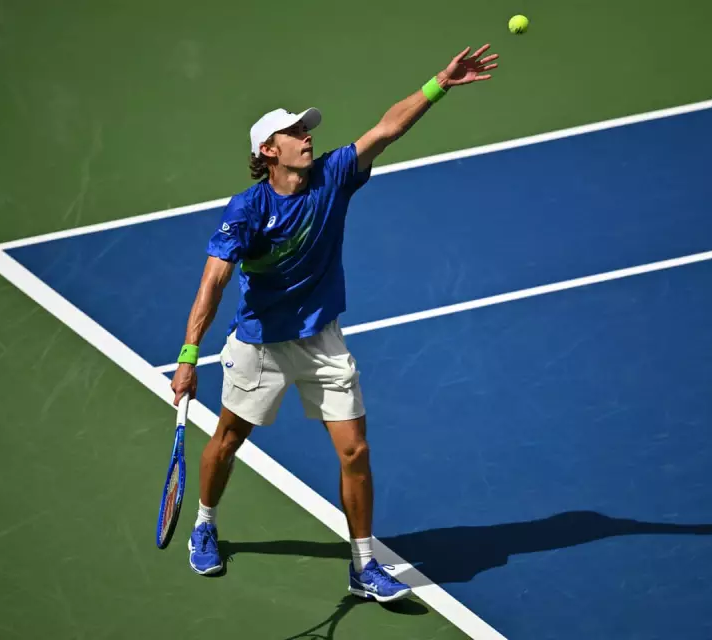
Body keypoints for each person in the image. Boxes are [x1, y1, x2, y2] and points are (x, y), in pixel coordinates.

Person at [170, 44, 498, 601]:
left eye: (307, 130)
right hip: (261, 346)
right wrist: (187, 355)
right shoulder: (246, 211)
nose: (308, 136)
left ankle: (363, 564)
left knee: (356, 451)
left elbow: (387, 129)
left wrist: (439, 83)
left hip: (322, 340)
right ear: (269, 151)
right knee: (226, 441)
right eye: (296, 132)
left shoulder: (334, 176)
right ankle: (204, 523)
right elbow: (214, 281)